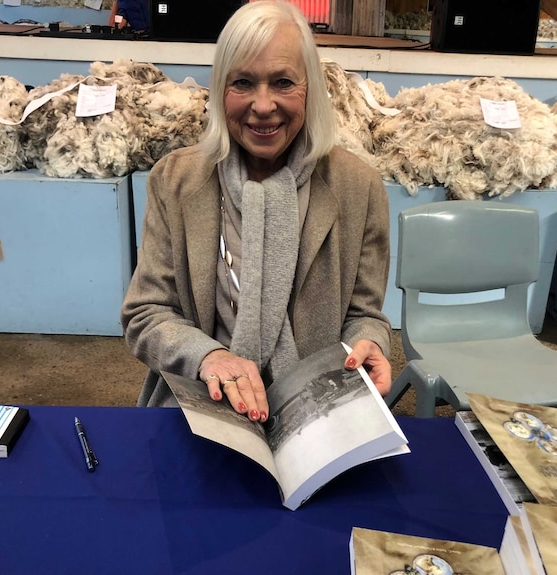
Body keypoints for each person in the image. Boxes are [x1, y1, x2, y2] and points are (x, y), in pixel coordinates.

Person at [121, 0, 392, 423]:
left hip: (314, 412)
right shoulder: (176, 181)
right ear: (220, 89)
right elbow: (145, 314)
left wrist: (371, 342)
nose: (263, 106)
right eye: (243, 83)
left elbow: (365, 314)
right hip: (200, 404)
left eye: (283, 82)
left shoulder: (357, 187)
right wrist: (208, 356)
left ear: (311, 88)